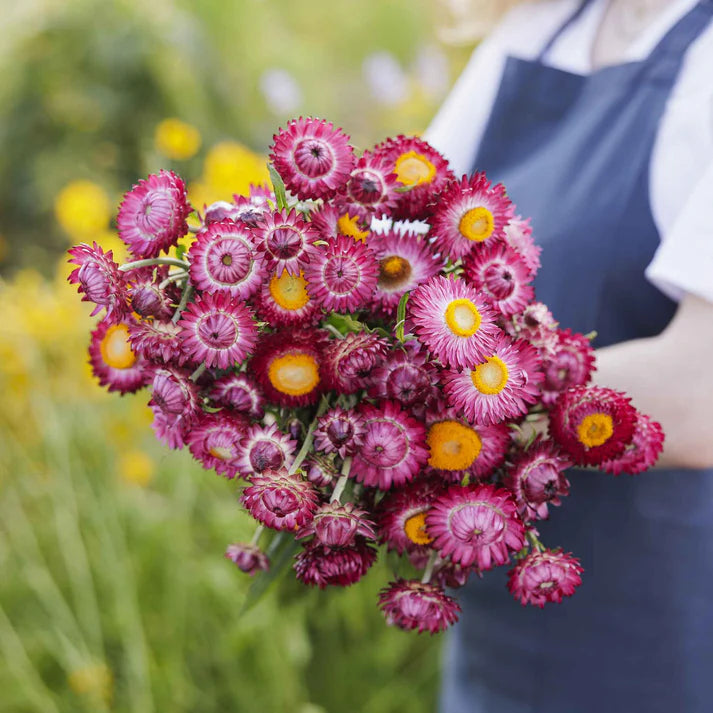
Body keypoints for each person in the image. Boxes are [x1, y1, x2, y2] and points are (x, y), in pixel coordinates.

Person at [424, 1, 713, 711]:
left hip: (663, 631)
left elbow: (697, 389)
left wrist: (444, 393)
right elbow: (391, 248)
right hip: (500, 621)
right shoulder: (539, 29)